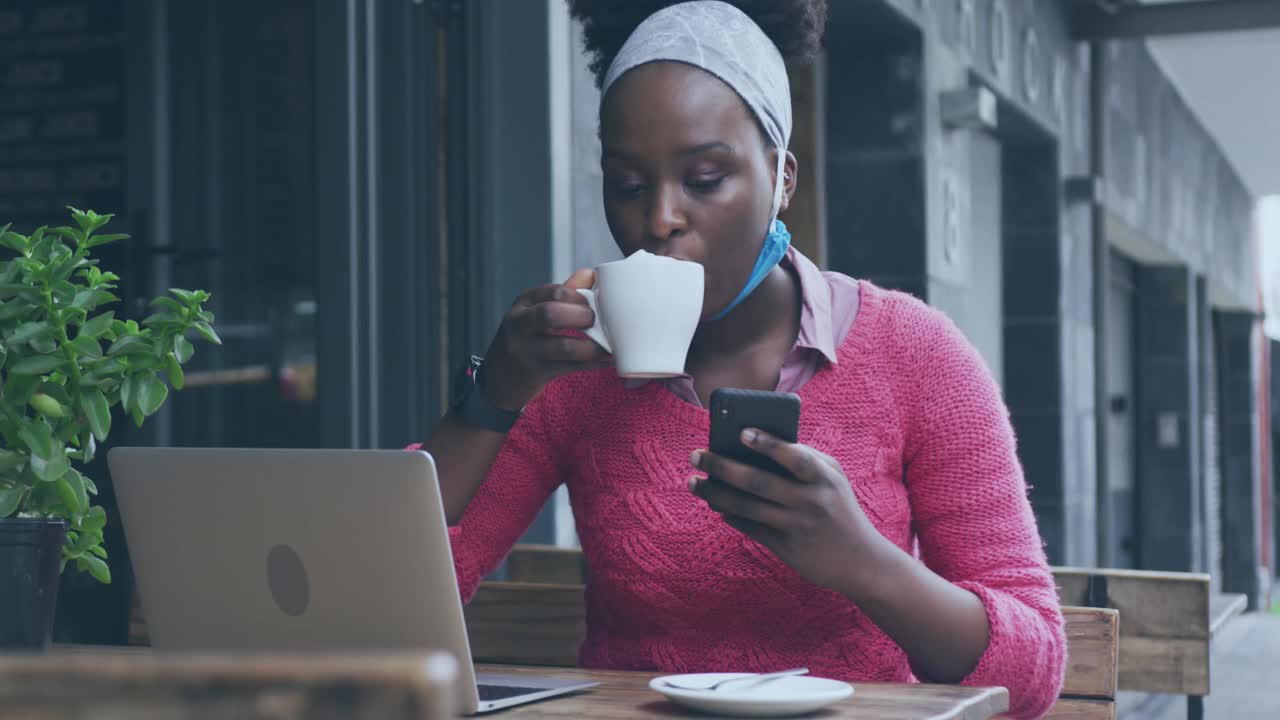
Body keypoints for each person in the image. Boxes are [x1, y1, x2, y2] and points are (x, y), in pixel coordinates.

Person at [416, 1, 1065, 717]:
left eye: (704, 178)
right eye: (628, 185)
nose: (659, 217)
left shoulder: (917, 355)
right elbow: (396, 594)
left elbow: (1034, 676)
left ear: (782, 177)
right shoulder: (572, 373)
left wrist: (866, 564)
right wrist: (493, 398)